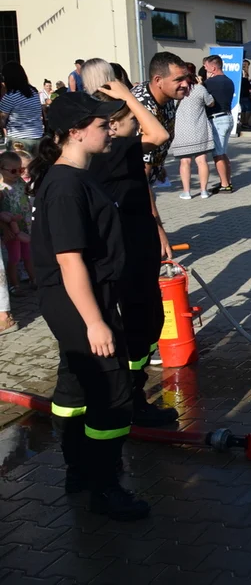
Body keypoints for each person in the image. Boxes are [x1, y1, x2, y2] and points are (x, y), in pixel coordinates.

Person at [30, 90, 151, 520]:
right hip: (79, 302)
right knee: (112, 390)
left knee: (76, 384)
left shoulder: (78, 175)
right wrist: (96, 322)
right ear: (75, 133)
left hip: (81, 300)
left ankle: (78, 471)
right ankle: (105, 487)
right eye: (103, 125)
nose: (111, 130)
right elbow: (69, 260)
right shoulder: (64, 186)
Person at [86, 74, 175, 427]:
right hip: (128, 254)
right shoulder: (114, 148)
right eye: (130, 121)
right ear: (114, 124)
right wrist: (130, 97)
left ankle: (133, 393)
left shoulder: (121, 152)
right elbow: (159, 134)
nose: (136, 126)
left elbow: (141, 191)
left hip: (140, 244)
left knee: (148, 321)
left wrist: (159, 226)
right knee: (141, 324)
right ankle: (132, 399)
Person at [130, 52, 188, 258]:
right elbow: (138, 175)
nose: (185, 84)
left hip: (145, 175)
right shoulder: (143, 109)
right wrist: (159, 229)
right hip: (128, 184)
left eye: (186, 78)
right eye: (178, 79)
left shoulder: (167, 97)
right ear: (158, 80)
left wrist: (157, 163)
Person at [169, 69, 214, 199]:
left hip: (182, 129)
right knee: (202, 160)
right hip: (199, 128)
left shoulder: (176, 90)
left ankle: (187, 192)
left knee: (185, 162)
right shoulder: (200, 89)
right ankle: (204, 191)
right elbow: (210, 103)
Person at [0, 151, 34, 292]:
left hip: (25, 225)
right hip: (11, 229)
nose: (18, 173)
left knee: (28, 255)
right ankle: (15, 285)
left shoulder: (20, 182)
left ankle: (34, 279)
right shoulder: (1, 188)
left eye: (20, 170)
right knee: (14, 257)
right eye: (13, 170)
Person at [201, 55, 235, 193]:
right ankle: (226, 180)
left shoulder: (210, 83)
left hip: (217, 119)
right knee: (223, 153)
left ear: (213, 68)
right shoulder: (229, 81)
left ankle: (225, 184)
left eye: (206, 67)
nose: (204, 69)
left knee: (218, 154)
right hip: (227, 116)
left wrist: (203, 82)